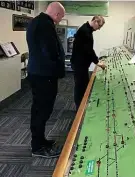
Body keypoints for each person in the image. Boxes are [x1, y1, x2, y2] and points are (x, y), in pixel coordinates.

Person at [26, 2, 65, 158]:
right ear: (56, 14)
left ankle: (40, 140)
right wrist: (58, 65)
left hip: (38, 73)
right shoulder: (45, 25)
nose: (60, 20)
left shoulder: (36, 21)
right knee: (42, 110)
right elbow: (50, 51)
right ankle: (37, 147)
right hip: (44, 76)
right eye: (60, 17)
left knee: (39, 109)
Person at [71, 16, 106, 111]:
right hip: (79, 64)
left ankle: (81, 106)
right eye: (99, 26)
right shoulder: (85, 31)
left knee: (83, 85)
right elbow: (89, 50)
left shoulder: (87, 29)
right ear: (95, 21)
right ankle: (80, 109)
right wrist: (97, 62)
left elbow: (88, 49)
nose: (98, 29)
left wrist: (96, 61)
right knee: (80, 87)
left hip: (80, 63)